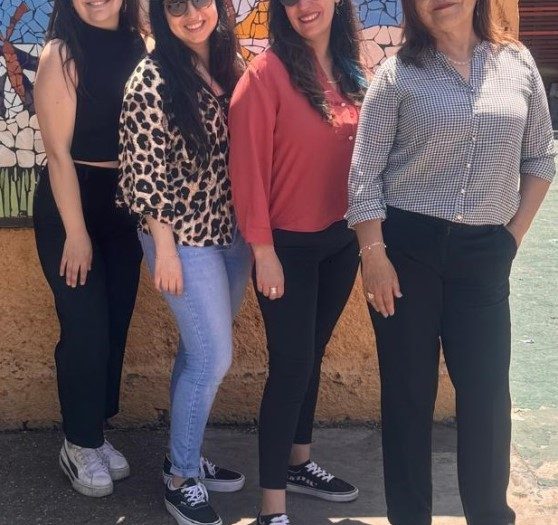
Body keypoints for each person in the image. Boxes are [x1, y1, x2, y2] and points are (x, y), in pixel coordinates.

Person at [346, 0, 556, 524]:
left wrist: (512, 238)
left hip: (485, 255)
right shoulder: (397, 76)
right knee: (408, 398)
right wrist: (374, 256)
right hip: (405, 255)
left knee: (487, 398)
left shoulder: (517, 63)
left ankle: (490, 516)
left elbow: (540, 157)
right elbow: (364, 175)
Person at [228, 0, 367, 522]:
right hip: (286, 249)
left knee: (311, 356)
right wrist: (263, 252)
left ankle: (299, 463)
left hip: (341, 241)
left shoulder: (352, 70)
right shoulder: (264, 77)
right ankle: (272, 508)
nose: (304, 6)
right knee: (290, 368)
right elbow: (246, 172)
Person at [117, 0, 252, 523]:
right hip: (181, 239)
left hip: (230, 235)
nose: (192, 13)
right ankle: (180, 478)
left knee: (197, 353)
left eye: (202, 1)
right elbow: (143, 173)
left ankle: (185, 455)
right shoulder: (151, 78)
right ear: (160, 13)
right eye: (176, 5)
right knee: (213, 357)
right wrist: (165, 250)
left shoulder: (227, 64)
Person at [33, 0, 146, 498]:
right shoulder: (61, 53)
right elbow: (58, 153)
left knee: (115, 322)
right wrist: (76, 233)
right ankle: (77, 443)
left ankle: (94, 433)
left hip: (125, 205)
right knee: (85, 326)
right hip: (70, 203)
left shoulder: (144, 47)